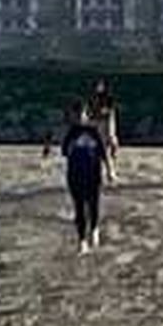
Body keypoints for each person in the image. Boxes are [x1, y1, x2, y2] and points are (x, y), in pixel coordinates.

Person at [59, 100, 108, 255]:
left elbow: (103, 153)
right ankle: (82, 242)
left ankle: (94, 229)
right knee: (79, 208)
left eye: (83, 114)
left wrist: (110, 170)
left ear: (87, 115)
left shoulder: (94, 131)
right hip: (75, 175)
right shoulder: (71, 133)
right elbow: (65, 152)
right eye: (77, 114)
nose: (80, 117)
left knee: (93, 205)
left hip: (93, 174)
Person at [88, 79, 120, 183]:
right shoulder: (92, 98)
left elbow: (111, 109)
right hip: (99, 123)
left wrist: (104, 111)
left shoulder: (108, 98)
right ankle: (109, 173)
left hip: (108, 121)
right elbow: (91, 112)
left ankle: (110, 170)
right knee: (103, 149)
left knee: (112, 141)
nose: (99, 87)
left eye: (100, 85)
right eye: (97, 85)